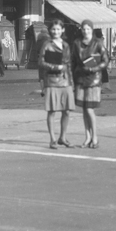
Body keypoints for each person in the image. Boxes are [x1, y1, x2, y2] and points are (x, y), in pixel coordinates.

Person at [71, 19, 109, 149]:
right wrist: (72, 79)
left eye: (88, 29)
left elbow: (105, 61)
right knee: (83, 109)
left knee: (89, 109)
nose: (85, 31)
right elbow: (73, 62)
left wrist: (94, 68)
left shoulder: (97, 43)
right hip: (80, 79)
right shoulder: (76, 43)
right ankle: (87, 136)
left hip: (93, 80)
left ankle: (95, 137)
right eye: (83, 29)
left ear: (91, 30)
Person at [40, 19, 74, 149]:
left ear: (62, 30)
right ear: (50, 30)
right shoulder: (46, 45)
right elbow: (41, 63)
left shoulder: (66, 45)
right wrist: (56, 67)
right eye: (53, 29)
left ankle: (62, 137)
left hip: (66, 82)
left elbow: (69, 64)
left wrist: (72, 84)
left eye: (58, 29)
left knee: (66, 111)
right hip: (52, 81)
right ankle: (52, 139)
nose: (56, 32)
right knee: (52, 111)